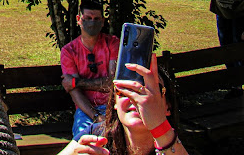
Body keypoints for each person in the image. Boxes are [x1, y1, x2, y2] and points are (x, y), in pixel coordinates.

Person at [57, 54, 189, 155]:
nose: (135, 97)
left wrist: (160, 128)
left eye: (148, 90)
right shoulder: (96, 135)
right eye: (125, 90)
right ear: (115, 102)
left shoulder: (180, 147)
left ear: (168, 106)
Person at [61, 1, 120, 138]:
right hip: (86, 110)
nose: (92, 23)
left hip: (113, 105)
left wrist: (76, 82)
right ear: (78, 20)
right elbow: (74, 92)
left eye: (96, 19)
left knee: (116, 137)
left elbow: (112, 83)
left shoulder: (112, 43)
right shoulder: (69, 51)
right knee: (84, 138)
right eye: (87, 18)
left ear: (103, 21)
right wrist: (96, 116)